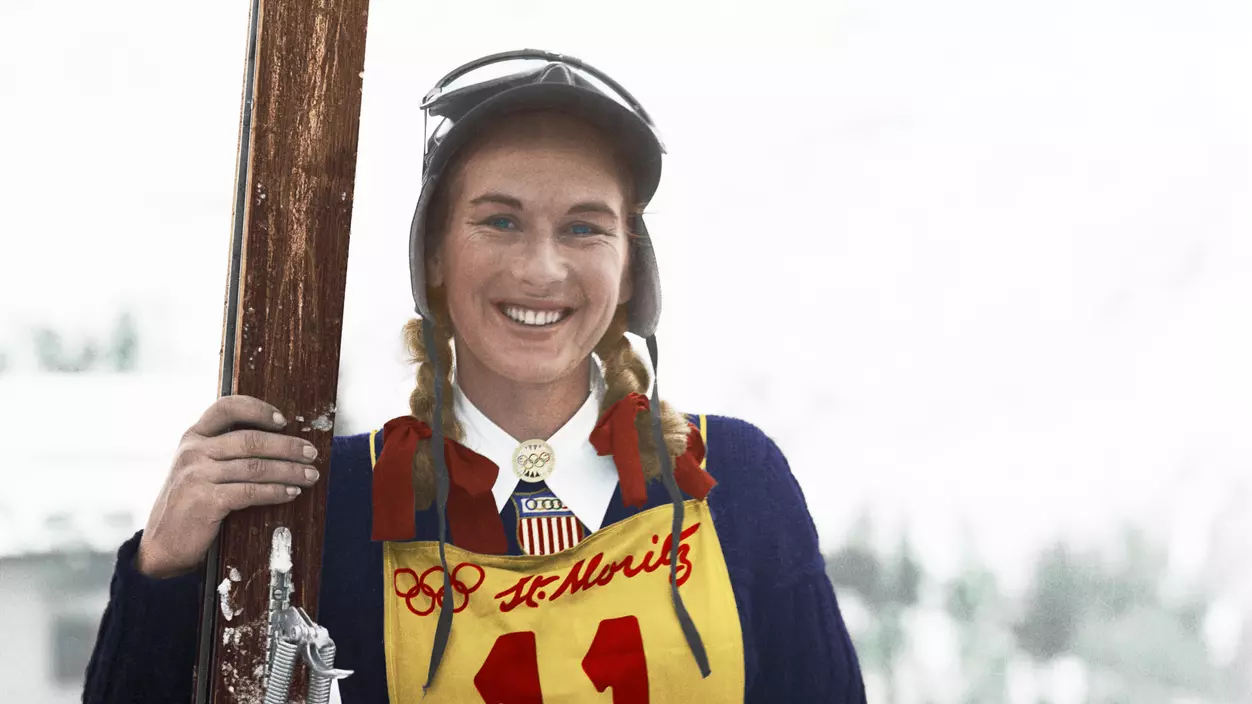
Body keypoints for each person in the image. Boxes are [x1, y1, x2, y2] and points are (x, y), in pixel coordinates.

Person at [83, 50, 866, 703]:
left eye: (584, 227)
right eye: (500, 220)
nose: (542, 268)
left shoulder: (734, 482)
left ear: (629, 269)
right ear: (433, 257)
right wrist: (166, 570)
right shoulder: (330, 509)